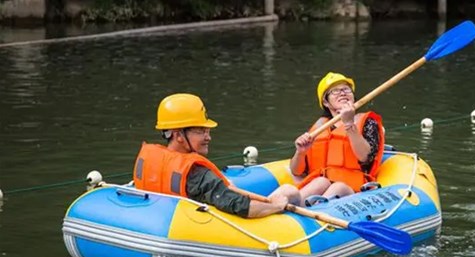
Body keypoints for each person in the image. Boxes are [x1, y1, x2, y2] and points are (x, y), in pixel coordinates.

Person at [133, 93, 300, 218]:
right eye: (201, 131)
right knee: (290, 192)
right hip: (187, 231)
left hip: (156, 219)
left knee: (288, 190)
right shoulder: (198, 175)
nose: (208, 137)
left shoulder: (153, 159)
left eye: (207, 131)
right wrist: (276, 206)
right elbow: (241, 207)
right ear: (178, 136)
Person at [289, 72, 385, 205]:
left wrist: (349, 124)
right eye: (335, 91)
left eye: (346, 89)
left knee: (338, 187)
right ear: (325, 102)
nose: (342, 93)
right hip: (320, 184)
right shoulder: (319, 128)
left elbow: (365, 157)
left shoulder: (367, 123)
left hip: (351, 190)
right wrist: (300, 152)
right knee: (319, 182)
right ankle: (286, 210)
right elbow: (297, 171)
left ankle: (313, 212)